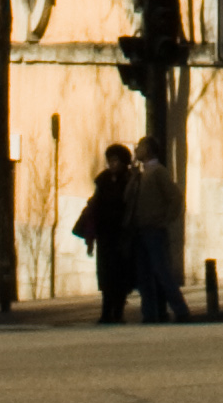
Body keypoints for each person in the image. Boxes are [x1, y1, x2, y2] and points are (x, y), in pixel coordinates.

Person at [74, 143, 137, 323]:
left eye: (115, 160)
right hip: (105, 234)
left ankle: (118, 312)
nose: (112, 164)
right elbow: (95, 206)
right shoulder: (102, 181)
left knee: (121, 274)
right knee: (105, 274)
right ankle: (105, 312)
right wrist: (90, 237)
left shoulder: (130, 180)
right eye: (110, 160)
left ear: (123, 162)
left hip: (123, 233)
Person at [129, 135, 186, 322]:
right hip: (140, 229)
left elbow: (175, 198)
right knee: (143, 275)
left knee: (162, 272)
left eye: (140, 146)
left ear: (148, 150)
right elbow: (127, 197)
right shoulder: (140, 173)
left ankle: (180, 310)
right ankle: (149, 313)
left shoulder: (158, 172)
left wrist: (165, 219)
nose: (137, 150)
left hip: (154, 229)